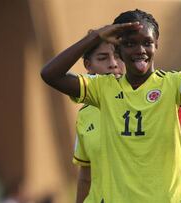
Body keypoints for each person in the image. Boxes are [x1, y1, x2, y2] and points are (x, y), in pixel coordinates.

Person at [40, 9, 181, 203]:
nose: (140, 50)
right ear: (118, 49)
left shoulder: (172, 85)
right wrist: (96, 36)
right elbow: (50, 74)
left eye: (147, 43)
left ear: (156, 45)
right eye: (130, 44)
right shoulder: (103, 89)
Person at [72, 41, 125, 203]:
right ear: (88, 65)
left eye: (118, 56)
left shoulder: (142, 101)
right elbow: (85, 176)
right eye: (103, 58)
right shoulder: (84, 114)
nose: (113, 64)